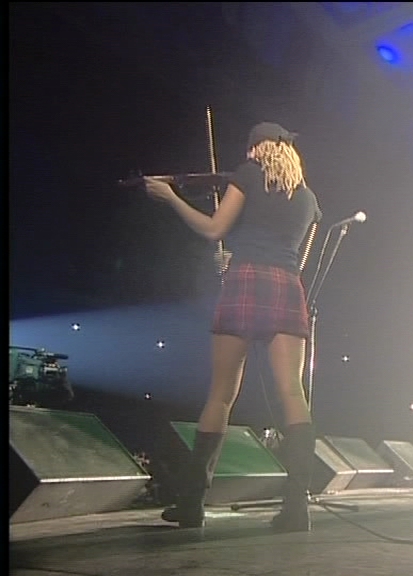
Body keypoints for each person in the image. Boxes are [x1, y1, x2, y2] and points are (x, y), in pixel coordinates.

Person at [143, 122, 321, 531]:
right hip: (286, 285)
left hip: (245, 281)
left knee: (221, 395)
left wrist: (171, 197)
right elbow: (298, 258)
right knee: (293, 392)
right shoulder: (308, 197)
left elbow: (213, 229)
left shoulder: (248, 174)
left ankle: (192, 504)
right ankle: (297, 508)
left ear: (258, 148)